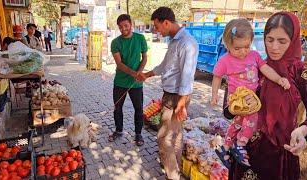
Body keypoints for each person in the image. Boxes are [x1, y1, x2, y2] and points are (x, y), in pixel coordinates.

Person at [227, 12, 307, 180]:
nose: (274, 47)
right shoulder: (255, 66)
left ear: (293, 40)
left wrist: (304, 130)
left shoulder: (300, 71)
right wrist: (236, 106)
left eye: (282, 41)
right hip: (246, 151)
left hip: (281, 155)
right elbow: (228, 108)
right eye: (269, 40)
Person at [210, 18, 290, 168]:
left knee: (238, 123)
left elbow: (265, 69)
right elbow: (217, 77)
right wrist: (214, 95)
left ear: (251, 41)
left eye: (246, 46)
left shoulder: (254, 56)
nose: (242, 52)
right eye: (237, 48)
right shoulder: (225, 60)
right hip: (237, 100)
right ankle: (240, 144)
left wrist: (279, 79)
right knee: (253, 118)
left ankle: (225, 147)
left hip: (250, 98)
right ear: (227, 45)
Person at [137, 7, 198, 180]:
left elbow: (188, 76)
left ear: (166, 22)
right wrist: (147, 75)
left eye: (157, 27)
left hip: (177, 96)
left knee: (164, 137)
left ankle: (172, 175)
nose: (156, 31)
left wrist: (181, 102)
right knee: (175, 134)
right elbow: (166, 66)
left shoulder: (187, 43)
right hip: (171, 94)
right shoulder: (173, 41)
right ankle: (174, 167)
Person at [107, 14, 148, 146]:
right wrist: (134, 73)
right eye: (120, 27)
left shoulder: (140, 38)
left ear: (131, 24)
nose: (123, 29)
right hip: (120, 81)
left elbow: (144, 58)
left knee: (139, 109)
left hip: (136, 83)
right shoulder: (115, 42)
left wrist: (139, 72)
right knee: (117, 108)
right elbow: (119, 64)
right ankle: (119, 131)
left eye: (126, 25)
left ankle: (138, 134)